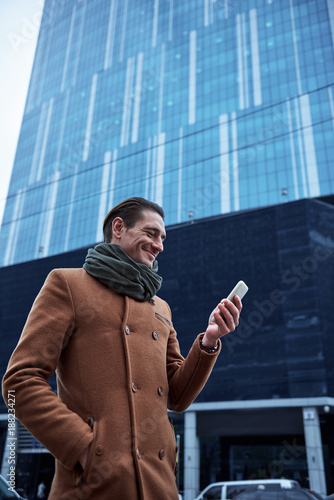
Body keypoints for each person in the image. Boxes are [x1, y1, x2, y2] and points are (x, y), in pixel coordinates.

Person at [2, 197, 242, 500]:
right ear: (119, 228)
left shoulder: (161, 307)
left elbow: (177, 397)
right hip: (94, 485)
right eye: (151, 233)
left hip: (160, 485)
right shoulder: (68, 284)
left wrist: (210, 340)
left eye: (163, 238)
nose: (160, 245)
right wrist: (85, 449)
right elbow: (19, 381)